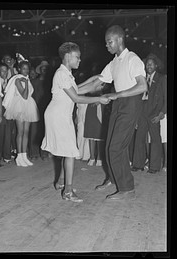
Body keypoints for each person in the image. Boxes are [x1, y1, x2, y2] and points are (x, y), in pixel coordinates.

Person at [81, 25, 147, 200]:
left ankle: (127, 189)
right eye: (106, 43)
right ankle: (113, 178)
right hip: (118, 105)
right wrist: (72, 91)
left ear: (119, 40)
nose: (107, 46)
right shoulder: (114, 63)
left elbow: (142, 86)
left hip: (130, 104)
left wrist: (118, 94)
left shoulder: (133, 59)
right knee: (109, 144)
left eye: (109, 42)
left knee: (116, 147)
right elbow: (97, 83)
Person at [41, 42, 109, 202]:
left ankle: (61, 183)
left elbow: (79, 89)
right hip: (57, 116)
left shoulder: (67, 74)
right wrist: (99, 98)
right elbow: (77, 97)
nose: (80, 60)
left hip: (62, 115)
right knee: (71, 152)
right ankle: (68, 192)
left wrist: (97, 79)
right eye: (77, 57)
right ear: (68, 57)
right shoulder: (61, 74)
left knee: (68, 151)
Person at [131, 53, 167, 174]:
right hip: (142, 113)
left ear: (156, 65)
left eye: (151, 64)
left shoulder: (162, 78)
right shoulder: (142, 79)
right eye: (147, 64)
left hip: (154, 113)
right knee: (139, 138)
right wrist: (136, 116)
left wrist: (161, 113)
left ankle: (154, 167)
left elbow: (166, 98)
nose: (149, 66)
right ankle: (138, 164)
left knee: (155, 139)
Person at [2, 59, 39, 167]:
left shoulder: (27, 78)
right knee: (20, 132)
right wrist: (26, 83)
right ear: (19, 69)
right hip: (19, 106)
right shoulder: (17, 80)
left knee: (26, 132)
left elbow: (29, 96)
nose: (26, 71)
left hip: (28, 106)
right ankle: (19, 156)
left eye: (27, 69)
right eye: (23, 69)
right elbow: (24, 95)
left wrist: (27, 81)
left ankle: (24, 155)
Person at [28, 60, 50, 160]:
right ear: (40, 70)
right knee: (34, 131)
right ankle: (33, 153)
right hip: (35, 109)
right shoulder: (34, 82)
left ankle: (44, 153)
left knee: (46, 131)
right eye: (42, 68)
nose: (44, 70)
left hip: (47, 109)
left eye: (46, 69)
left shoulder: (50, 83)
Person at [0, 63, 12, 163]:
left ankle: (7, 156)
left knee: (8, 134)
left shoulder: (9, 82)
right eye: (2, 70)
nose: (5, 73)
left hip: (9, 111)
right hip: (0, 111)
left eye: (6, 71)